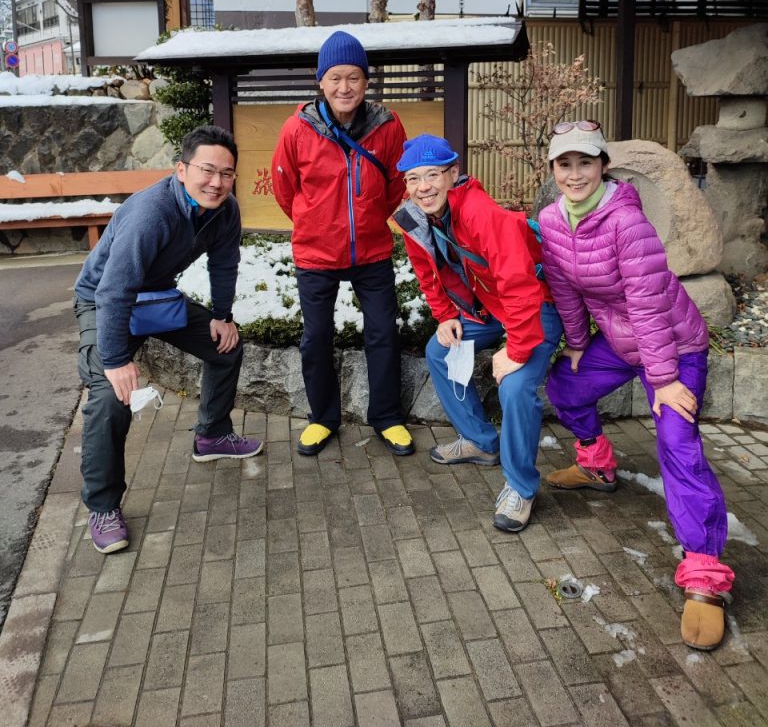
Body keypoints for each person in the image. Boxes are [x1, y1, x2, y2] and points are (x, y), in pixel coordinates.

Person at [538, 120, 734, 650]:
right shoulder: (551, 220)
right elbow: (564, 287)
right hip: (621, 342)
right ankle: (597, 466)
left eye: (585, 162)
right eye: (565, 164)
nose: (575, 173)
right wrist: (577, 343)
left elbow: (648, 304)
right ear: (554, 169)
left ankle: (705, 575)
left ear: (603, 165)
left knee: (676, 443)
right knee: (566, 387)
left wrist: (665, 381)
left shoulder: (626, 221)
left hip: (673, 343)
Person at [74, 125, 262, 555]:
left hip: (157, 296)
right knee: (109, 395)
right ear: (182, 169)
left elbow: (225, 264)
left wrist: (222, 316)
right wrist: (118, 359)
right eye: (207, 170)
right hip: (104, 300)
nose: (217, 182)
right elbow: (112, 291)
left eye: (227, 173)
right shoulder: (151, 213)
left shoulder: (224, 210)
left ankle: (212, 434)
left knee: (226, 346)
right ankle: (103, 506)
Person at [393, 133, 562, 532]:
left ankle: (521, 486)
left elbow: (520, 285)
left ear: (453, 173)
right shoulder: (413, 218)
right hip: (489, 307)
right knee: (439, 349)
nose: (423, 187)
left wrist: (516, 350)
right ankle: (481, 441)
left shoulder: (482, 213)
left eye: (433, 174)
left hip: (535, 306)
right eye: (413, 178)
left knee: (515, 387)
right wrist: (445, 314)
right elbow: (426, 271)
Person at [271, 30, 413, 457]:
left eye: (353, 77)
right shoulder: (298, 127)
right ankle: (322, 418)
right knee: (316, 337)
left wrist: (370, 217)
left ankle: (387, 417)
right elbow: (284, 187)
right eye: (335, 78)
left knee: (383, 333)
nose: (344, 87)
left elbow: (396, 182)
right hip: (316, 255)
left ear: (366, 82)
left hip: (371, 251)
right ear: (321, 82)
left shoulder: (387, 125)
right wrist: (315, 223)